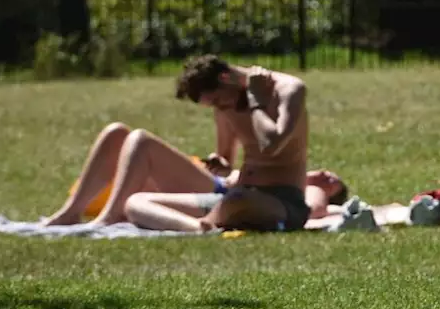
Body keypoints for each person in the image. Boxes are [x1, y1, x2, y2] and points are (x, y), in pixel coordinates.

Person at [123, 55, 312, 233]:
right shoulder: (226, 106)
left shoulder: (289, 89)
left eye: (217, 101)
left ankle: (207, 223)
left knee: (238, 199)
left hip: (281, 202)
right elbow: (226, 158)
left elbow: (271, 145)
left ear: (225, 77)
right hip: (233, 197)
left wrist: (256, 101)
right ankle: (198, 228)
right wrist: (221, 165)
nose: (220, 108)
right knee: (135, 202)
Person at [41, 121, 347, 229]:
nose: (325, 173)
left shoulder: (304, 193)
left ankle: (108, 217)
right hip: (213, 182)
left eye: (331, 179)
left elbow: (314, 210)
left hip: (215, 192)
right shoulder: (289, 175)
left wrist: (319, 189)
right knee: (116, 133)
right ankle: (70, 212)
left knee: (141, 141)